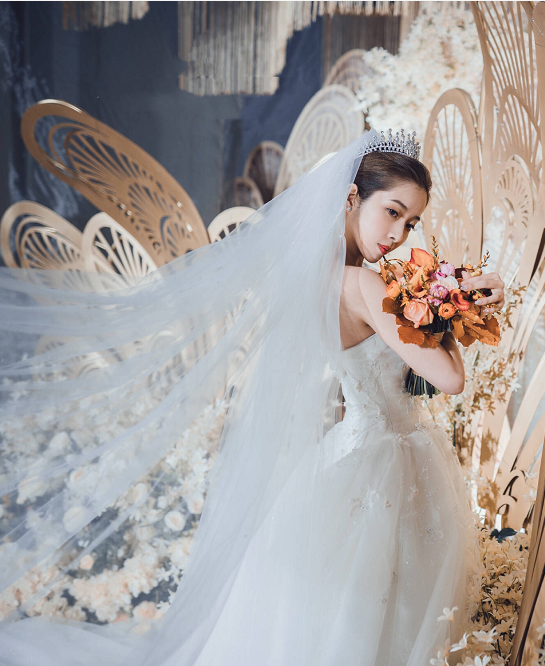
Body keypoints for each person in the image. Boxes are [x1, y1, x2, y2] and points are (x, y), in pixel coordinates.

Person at [0, 130, 505, 665]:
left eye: (412, 223)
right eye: (393, 213)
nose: (399, 235)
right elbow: (450, 379)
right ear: (352, 197)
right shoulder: (363, 286)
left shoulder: (319, 277)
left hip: (357, 455)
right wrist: (453, 308)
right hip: (384, 461)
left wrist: (443, 299)